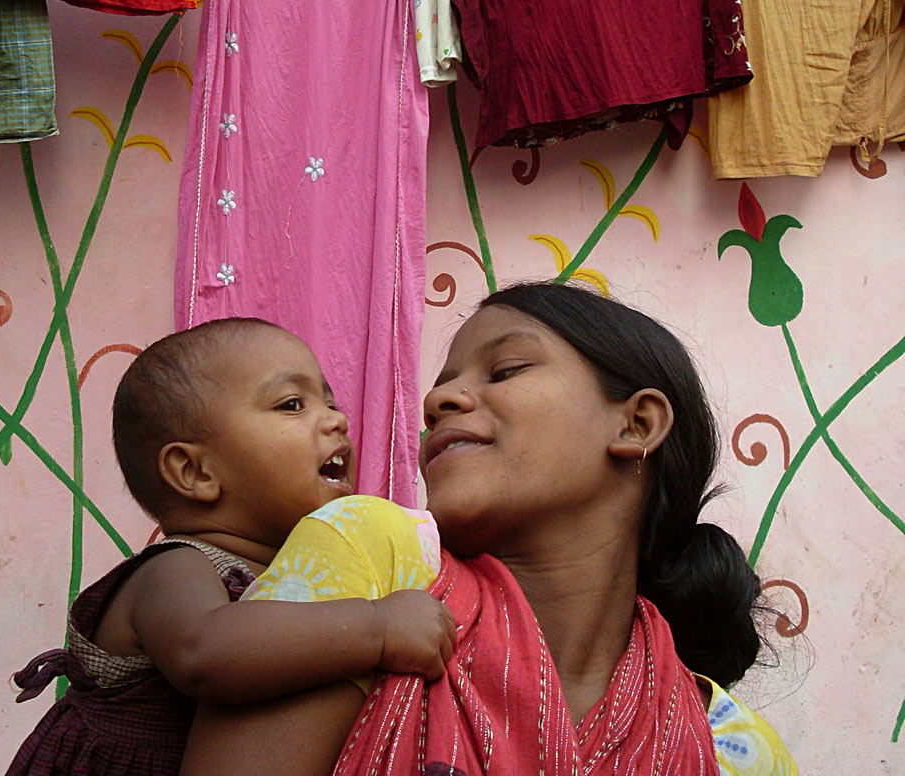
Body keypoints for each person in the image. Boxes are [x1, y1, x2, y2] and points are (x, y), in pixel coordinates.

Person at [179, 283, 798, 776]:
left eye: (504, 370)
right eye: (441, 387)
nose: (438, 401)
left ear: (636, 425)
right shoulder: (375, 557)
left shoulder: (731, 745)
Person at [4, 316, 455, 776]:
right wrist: (378, 627)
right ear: (196, 472)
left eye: (330, 402)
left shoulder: (296, 568)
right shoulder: (173, 568)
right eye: (292, 405)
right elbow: (202, 652)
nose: (337, 420)